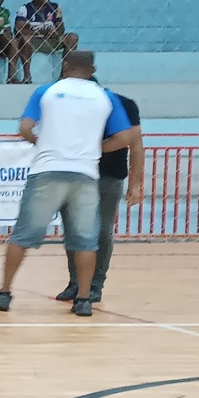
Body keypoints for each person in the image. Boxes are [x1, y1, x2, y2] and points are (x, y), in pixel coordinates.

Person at [0, 51, 141, 316]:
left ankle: (4, 293)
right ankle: (84, 299)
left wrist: (42, 143)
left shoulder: (47, 91)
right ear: (92, 69)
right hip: (85, 175)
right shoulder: (106, 97)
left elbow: (25, 128)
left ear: (65, 67)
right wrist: (94, 148)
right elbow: (125, 138)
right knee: (86, 240)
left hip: (47, 171)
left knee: (22, 236)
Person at [57, 90, 144, 304]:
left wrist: (135, 185)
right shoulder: (69, 104)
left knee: (103, 231)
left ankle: (95, 284)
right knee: (74, 230)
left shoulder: (124, 104)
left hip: (109, 177)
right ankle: (76, 282)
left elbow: (136, 146)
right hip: (76, 175)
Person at [12, 0, 78, 84]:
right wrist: (41, 32)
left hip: (52, 41)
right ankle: (27, 76)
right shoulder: (25, 9)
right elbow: (18, 29)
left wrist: (56, 33)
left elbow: (61, 27)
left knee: (72, 38)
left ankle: (64, 76)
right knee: (26, 39)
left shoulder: (55, 7)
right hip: (34, 42)